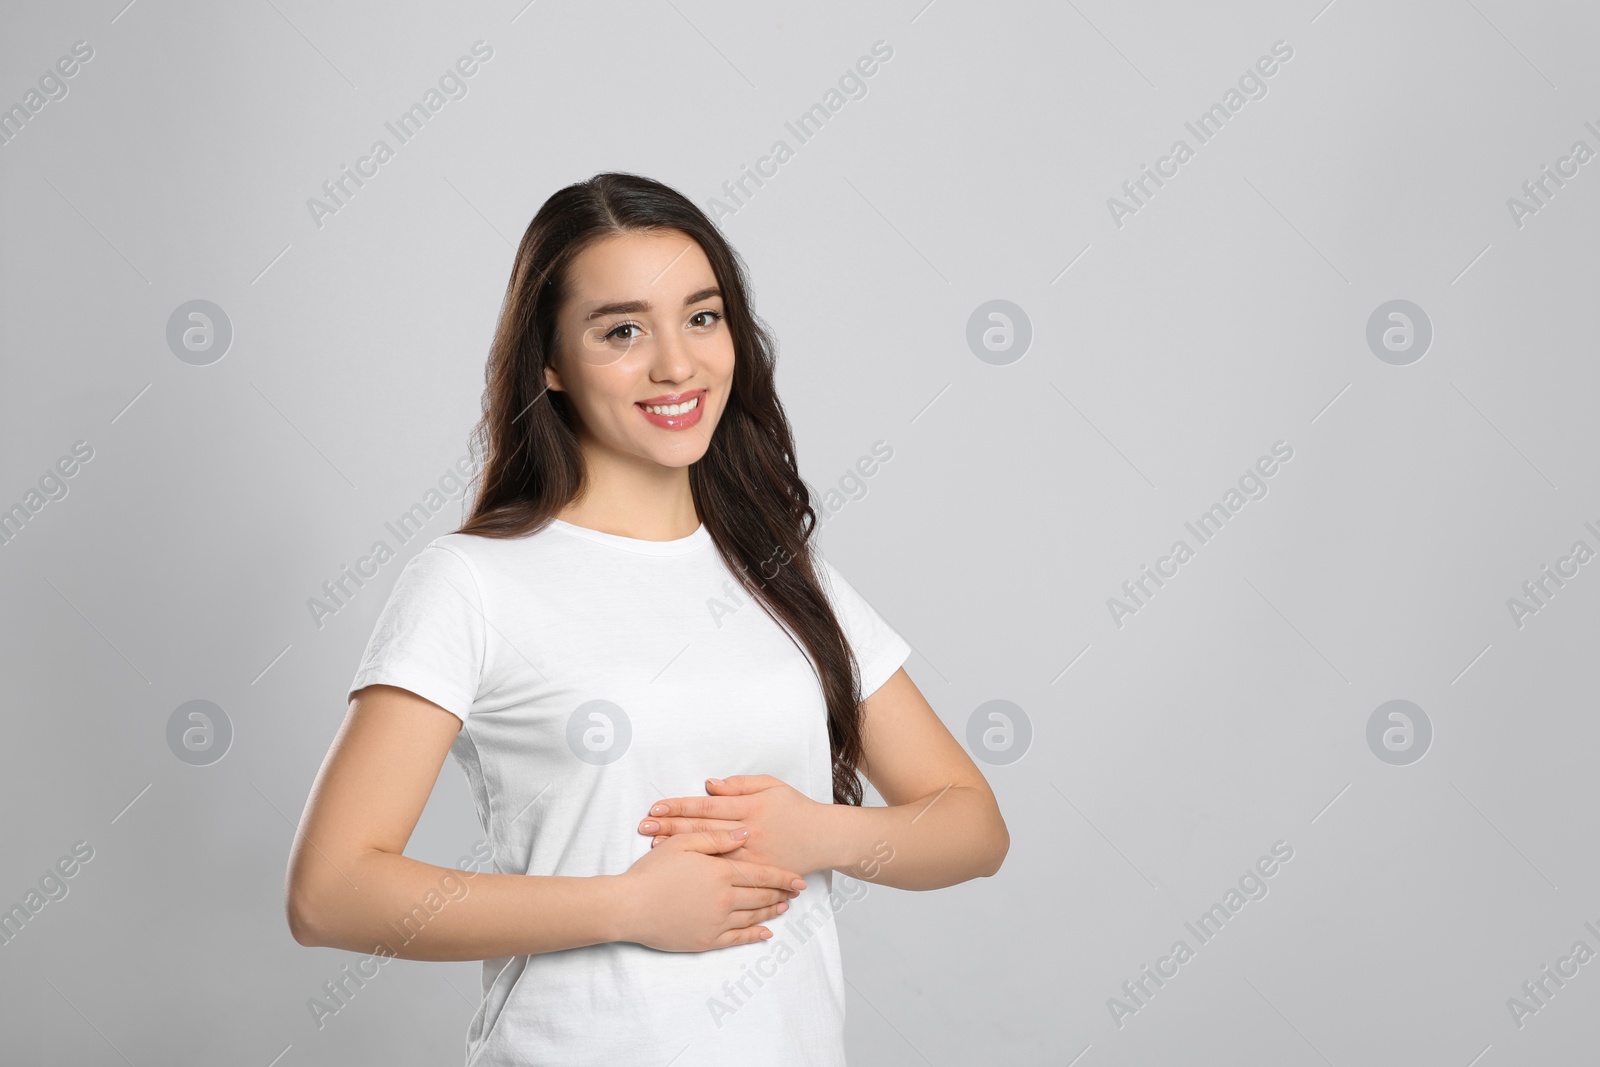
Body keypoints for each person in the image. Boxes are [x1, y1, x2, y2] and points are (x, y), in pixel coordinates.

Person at [285, 171, 1009, 1065]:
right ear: (549, 362)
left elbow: (973, 826)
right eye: (622, 330)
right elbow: (330, 891)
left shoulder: (783, 571)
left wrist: (818, 830)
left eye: (702, 317)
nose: (676, 363)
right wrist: (626, 906)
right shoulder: (472, 581)